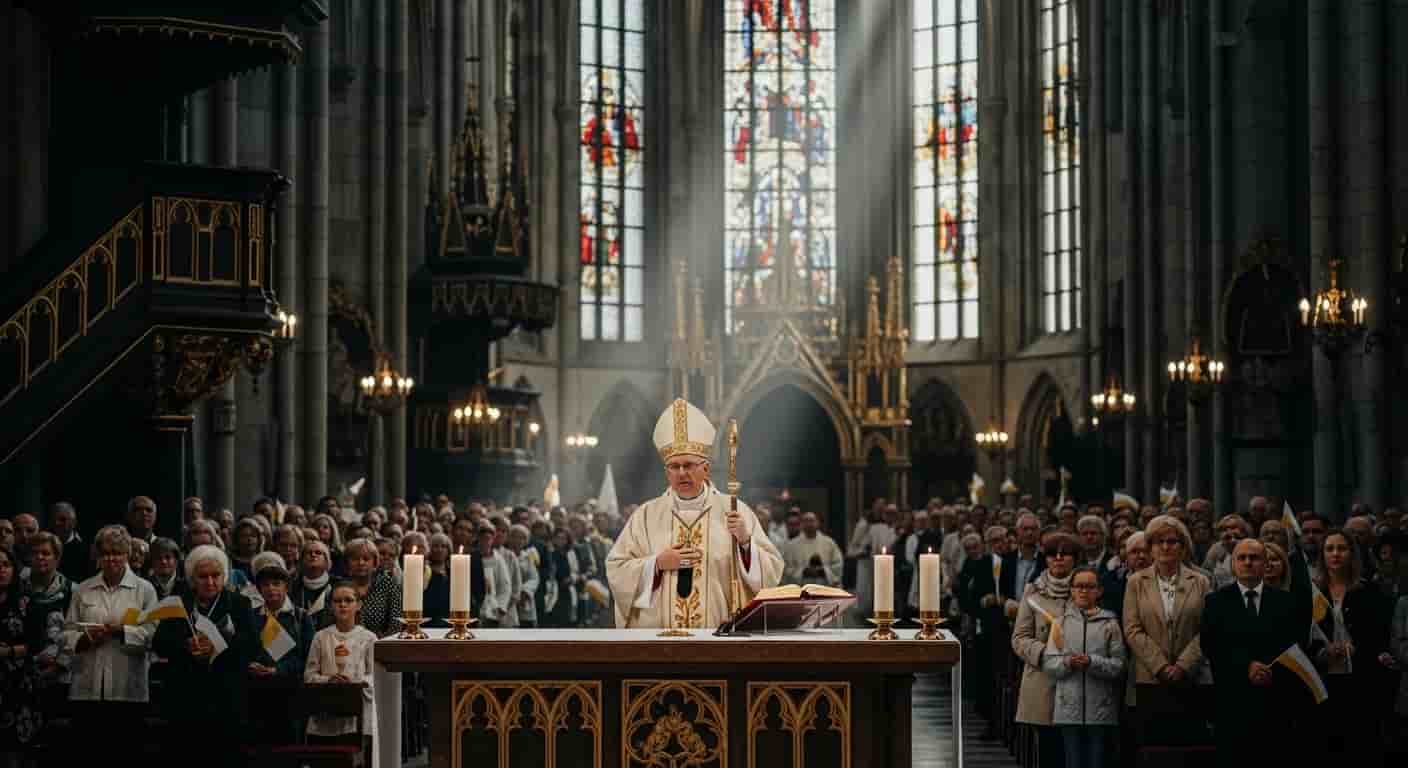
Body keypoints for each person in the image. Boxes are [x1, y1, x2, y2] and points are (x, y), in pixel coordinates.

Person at [605, 399, 783, 630]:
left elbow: (772, 571)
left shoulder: (734, 510)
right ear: (666, 472)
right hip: (659, 639)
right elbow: (616, 568)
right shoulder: (646, 516)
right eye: (674, 466)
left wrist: (746, 543)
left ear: (705, 468)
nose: (681, 473)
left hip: (718, 634)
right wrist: (657, 564)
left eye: (688, 465)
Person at [1198, 539, 1304, 767]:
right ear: (1233, 564)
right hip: (1233, 699)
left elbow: (1293, 644)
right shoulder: (1215, 602)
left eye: (1254, 557)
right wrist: (1247, 666)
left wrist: (1269, 669)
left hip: (1275, 699)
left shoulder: (1286, 602)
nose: (1248, 562)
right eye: (1242, 557)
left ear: (1265, 563)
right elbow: (1211, 644)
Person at [63, 525, 158, 761]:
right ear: (97, 555)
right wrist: (84, 639)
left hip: (128, 688)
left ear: (127, 554)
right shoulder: (83, 589)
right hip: (87, 686)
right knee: (88, 754)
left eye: (117, 552)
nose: (111, 558)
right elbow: (66, 633)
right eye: (105, 553)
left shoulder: (144, 590)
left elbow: (152, 634)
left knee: (125, 754)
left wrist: (120, 631)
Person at [1121, 516, 1209, 744]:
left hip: (1191, 678)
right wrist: (1160, 665)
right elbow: (1132, 628)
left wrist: (1183, 665)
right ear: (1150, 547)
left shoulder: (1201, 582)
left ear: (1183, 547)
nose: (1166, 547)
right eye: (1159, 542)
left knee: (1188, 746)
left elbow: (1208, 629)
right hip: (1150, 678)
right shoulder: (1136, 582)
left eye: (1172, 541)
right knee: (1153, 747)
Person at [1309, 530, 1393, 764]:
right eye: (1329, 549)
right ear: (1322, 555)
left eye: (1341, 548)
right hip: (1324, 678)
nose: (1335, 554)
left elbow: (1380, 635)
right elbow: (1303, 635)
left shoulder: (1369, 591)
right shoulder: (1313, 593)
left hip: (1361, 678)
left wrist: (1358, 649)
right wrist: (1322, 652)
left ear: (1352, 554)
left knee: (1360, 745)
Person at [1043, 565, 1125, 768]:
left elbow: (1119, 665)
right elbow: (1049, 663)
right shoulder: (1060, 624)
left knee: (1097, 760)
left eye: (1090, 586)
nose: (1083, 591)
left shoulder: (1110, 624)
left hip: (1101, 708)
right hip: (1068, 705)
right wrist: (1068, 662)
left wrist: (1093, 662)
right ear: (1071, 590)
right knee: (1073, 761)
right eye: (1078, 585)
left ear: (1099, 591)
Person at [1013, 531, 1079, 768]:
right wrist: (1046, 652)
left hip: (1078, 676)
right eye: (1052, 554)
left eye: (1065, 554)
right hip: (1043, 677)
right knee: (1049, 750)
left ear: (1075, 558)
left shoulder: (1086, 588)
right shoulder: (1033, 591)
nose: (1058, 559)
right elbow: (1020, 637)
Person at [305, 582, 378, 768]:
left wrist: (356, 682)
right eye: (337, 601)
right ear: (331, 606)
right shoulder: (321, 637)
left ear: (358, 605)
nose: (343, 605)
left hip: (357, 714)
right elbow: (309, 675)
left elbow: (375, 676)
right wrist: (328, 680)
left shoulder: (369, 638)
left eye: (348, 600)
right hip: (325, 712)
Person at [782, 511, 843, 587]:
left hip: (824, 586)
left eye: (811, 520)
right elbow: (787, 568)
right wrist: (803, 571)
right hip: (801, 589)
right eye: (806, 521)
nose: (809, 524)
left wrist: (823, 571)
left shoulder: (829, 543)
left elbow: (838, 565)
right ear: (801, 524)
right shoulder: (791, 545)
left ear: (818, 523)